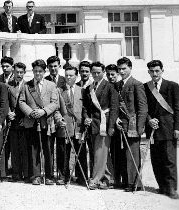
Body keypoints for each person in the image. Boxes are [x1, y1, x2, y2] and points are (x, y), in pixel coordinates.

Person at [144, 60, 179, 199]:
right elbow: (143, 108)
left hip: (169, 128)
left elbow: (178, 108)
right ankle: (162, 185)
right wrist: (149, 119)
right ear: (148, 72)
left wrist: (178, 128)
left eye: (157, 71)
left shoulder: (172, 86)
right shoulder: (145, 87)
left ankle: (171, 188)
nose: (154, 74)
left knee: (169, 159)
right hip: (153, 129)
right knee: (156, 159)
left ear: (162, 71)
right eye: (152, 71)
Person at [18, 59, 59, 185]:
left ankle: (49, 176)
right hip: (32, 121)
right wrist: (30, 112)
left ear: (44, 71)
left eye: (40, 71)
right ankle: (35, 175)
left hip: (46, 121)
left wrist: (44, 111)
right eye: (35, 71)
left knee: (48, 149)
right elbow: (21, 101)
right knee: (33, 149)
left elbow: (55, 102)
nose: (38, 73)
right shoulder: (26, 86)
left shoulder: (51, 85)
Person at [82, 62, 118, 190]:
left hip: (105, 123)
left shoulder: (110, 86)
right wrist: (86, 118)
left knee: (100, 152)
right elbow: (85, 107)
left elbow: (114, 108)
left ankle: (96, 179)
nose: (96, 75)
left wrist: (111, 126)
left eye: (98, 72)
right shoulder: (89, 88)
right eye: (94, 73)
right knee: (101, 153)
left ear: (103, 72)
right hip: (93, 124)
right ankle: (108, 179)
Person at [113, 57, 147, 191]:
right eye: (119, 69)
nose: (121, 71)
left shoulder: (136, 84)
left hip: (133, 125)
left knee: (132, 154)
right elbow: (115, 105)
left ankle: (134, 183)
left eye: (124, 69)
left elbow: (142, 107)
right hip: (121, 124)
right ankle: (126, 180)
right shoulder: (117, 85)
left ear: (130, 68)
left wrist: (139, 126)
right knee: (122, 154)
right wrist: (116, 119)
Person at [55, 65, 85, 186]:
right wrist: (58, 119)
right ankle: (63, 176)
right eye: (66, 75)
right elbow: (56, 108)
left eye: (71, 75)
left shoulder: (82, 90)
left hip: (78, 126)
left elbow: (85, 108)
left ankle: (81, 176)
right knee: (63, 152)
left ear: (76, 76)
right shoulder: (59, 90)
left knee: (81, 151)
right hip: (64, 125)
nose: (68, 77)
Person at [6, 62, 29, 183]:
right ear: (13, 72)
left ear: (24, 73)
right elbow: (5, 101)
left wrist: (18, 114)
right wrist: (9, 112)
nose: (19, 74)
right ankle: (16, 173)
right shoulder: (8, 85)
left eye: (21, 72)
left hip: (24, 120)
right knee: (14, 147)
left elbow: (28, 103)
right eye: (17, 72)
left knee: (24, 148)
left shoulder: (28, 85)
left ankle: (26, 173)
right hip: (12, 121)